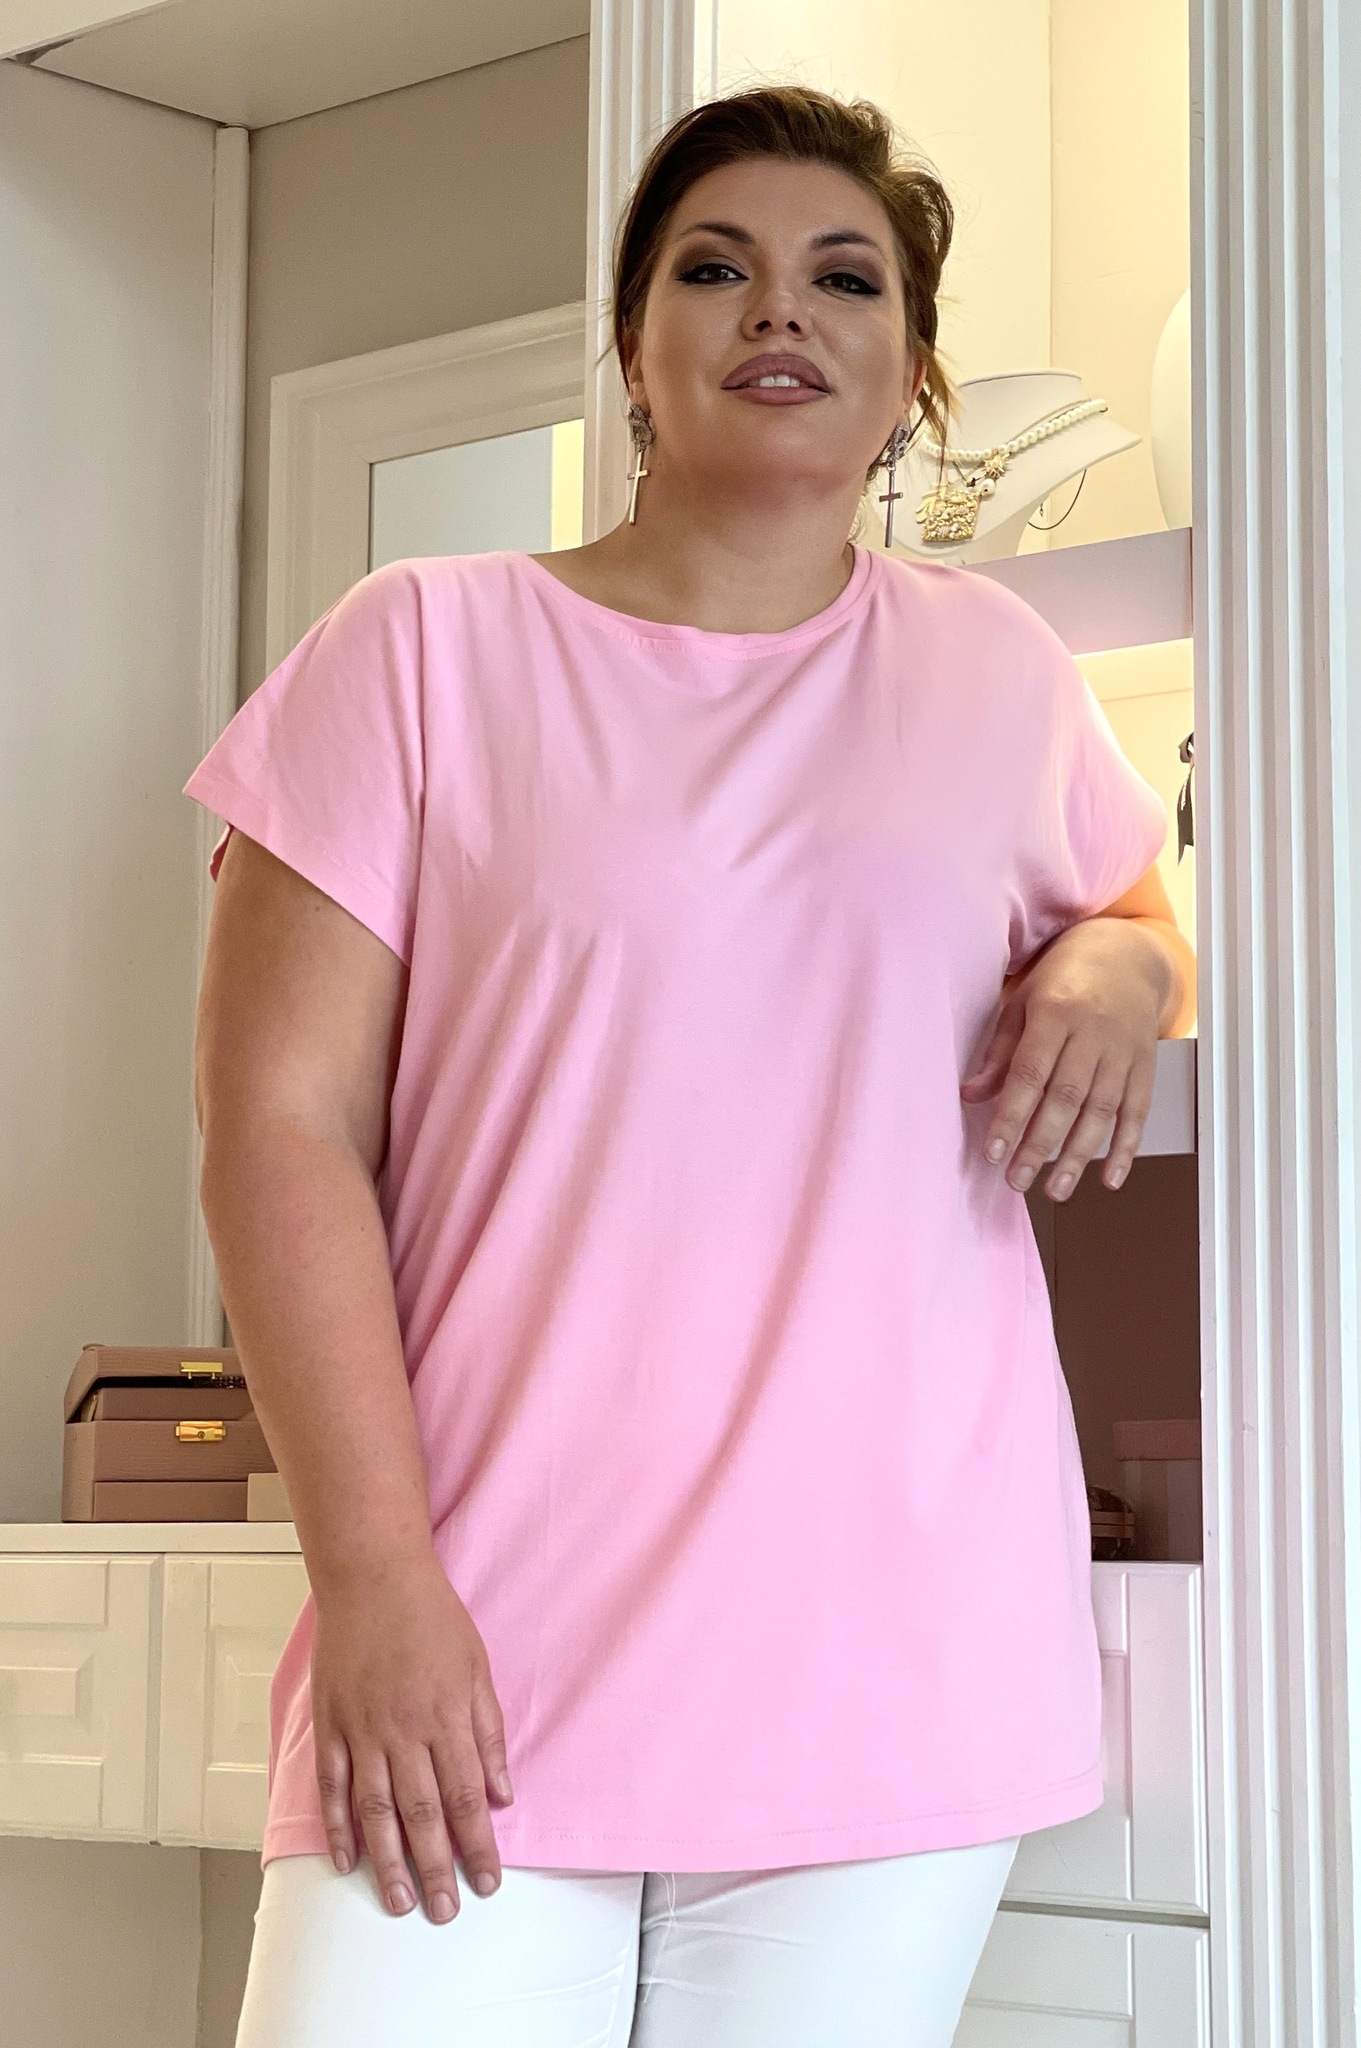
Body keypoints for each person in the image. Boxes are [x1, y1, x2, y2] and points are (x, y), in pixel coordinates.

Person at [189, 84, 1196, 2048]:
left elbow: (1134, 921)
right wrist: (374, 1580)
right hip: (474, 1640)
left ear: (911, 377)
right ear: (634, 348)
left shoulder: (992, 672)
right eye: (714, 268)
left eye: (846, 279)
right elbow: (275, 1131)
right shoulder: (418, 649)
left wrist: (1111, 958)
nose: (780, 309)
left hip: (894, 1654)